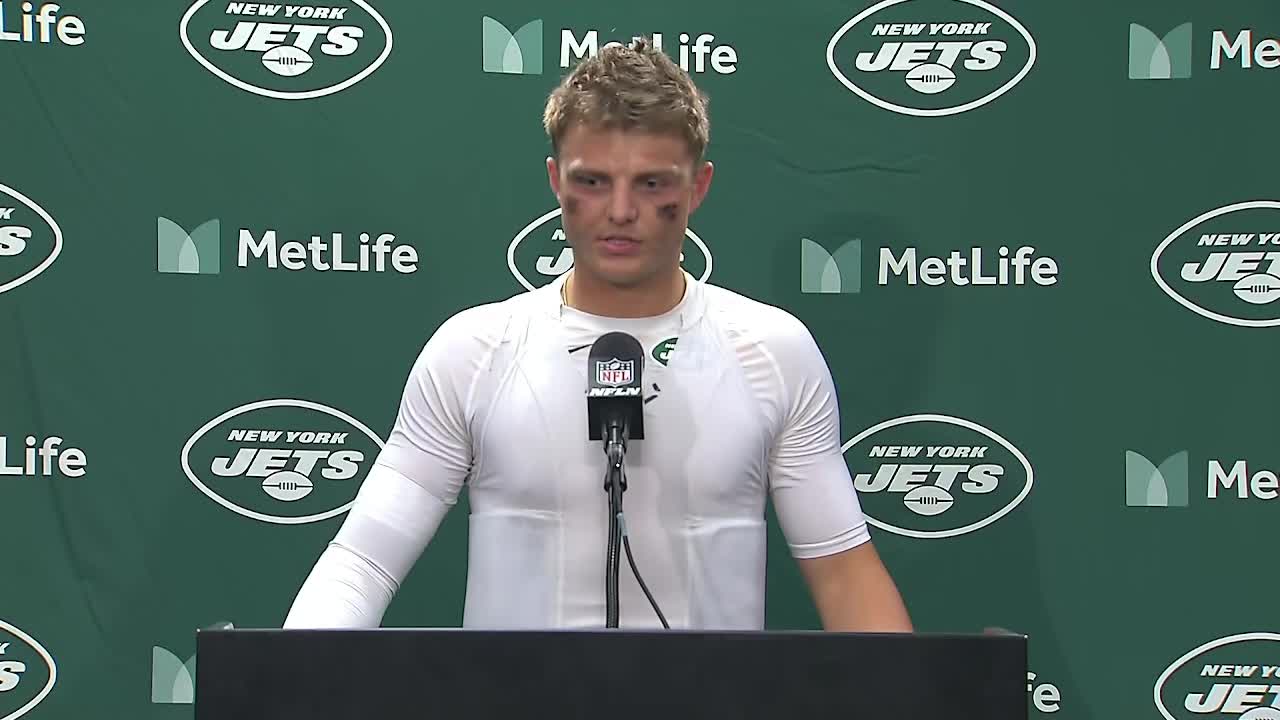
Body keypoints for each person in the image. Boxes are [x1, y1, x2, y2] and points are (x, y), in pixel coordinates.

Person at [282, 36, 912, 633]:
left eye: (651, 183)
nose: (620, 211)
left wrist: (907, 692)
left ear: (698, 187)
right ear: (556, 181)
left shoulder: (773, 353)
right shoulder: (474, 352)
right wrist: (286, 683)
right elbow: (362, 564)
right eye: (593, 181)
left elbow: (845, 577)